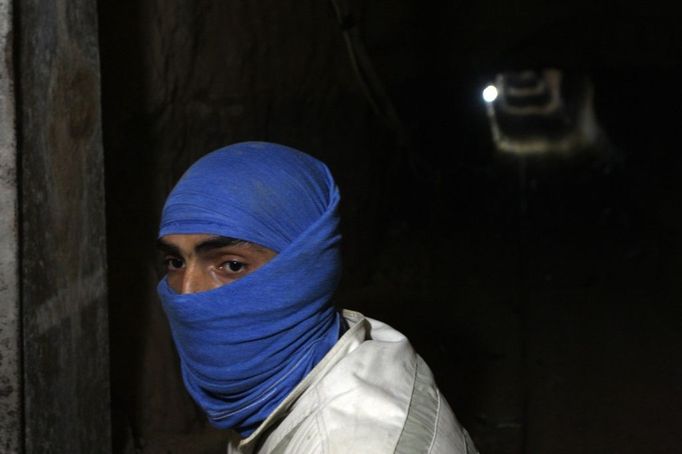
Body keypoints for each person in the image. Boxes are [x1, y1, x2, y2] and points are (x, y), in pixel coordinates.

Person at [156, 141, 478, 453]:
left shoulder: (353, 443)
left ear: (309, 270)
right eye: (175, 263)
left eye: (232, 265)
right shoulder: (327, 364)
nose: (187, 292)